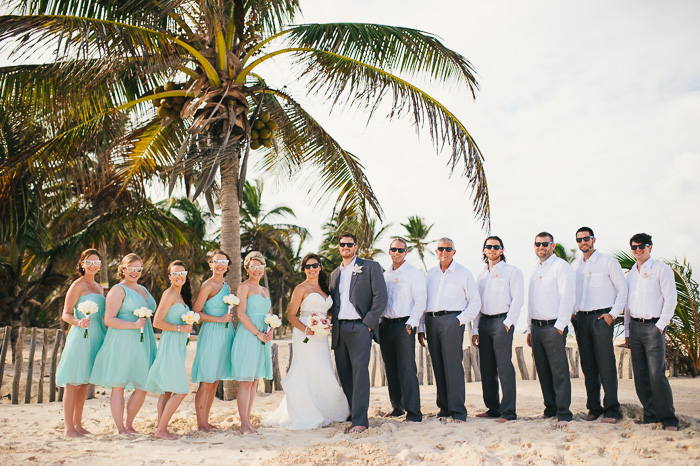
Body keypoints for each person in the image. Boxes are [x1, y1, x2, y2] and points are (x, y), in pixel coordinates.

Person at [267, 253, 350, 429]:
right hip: (304, 334)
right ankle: (305, 412)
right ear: (304, 270)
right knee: (305, 369)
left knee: (322, 369)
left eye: (315, 265)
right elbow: (290, 315)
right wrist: (307, 328)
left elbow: (326, 310)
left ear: (320, 267)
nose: (311, 269)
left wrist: (324, 322)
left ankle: (325, 409)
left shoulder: (325, 289)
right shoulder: (301, 288)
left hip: (320, 336)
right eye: (308, 266)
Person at [89, 253, 157, 435]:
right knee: (118, 387)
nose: (135, 272)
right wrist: (133, 325)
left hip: (143, 341)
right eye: (131, 268)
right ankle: (120, 428)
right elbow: (108, 319)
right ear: (123, 269)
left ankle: (129, 424)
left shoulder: (143, 289)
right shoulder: (118, 290)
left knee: (142, 387)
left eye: (138, 269)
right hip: (123, 341)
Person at [329, 232, 388, 433]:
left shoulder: (370, 267)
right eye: (342, 244)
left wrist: (368, 325)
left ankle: (361, 420)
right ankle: (354, 413)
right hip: (339, 329)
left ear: (356, 247)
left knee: (360, 372)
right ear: (339, 247)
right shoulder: (334, 274)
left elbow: (380, 298)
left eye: (349, 244)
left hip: (360, 328)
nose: (345, 247)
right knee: (345, 374)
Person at [571, 227, 627, 423]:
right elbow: (572, 292)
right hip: (581, 320)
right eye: (579, 240)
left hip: (601, 319)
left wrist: (612, 314)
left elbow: (623, 288)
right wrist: (572, 312)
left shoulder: (607, 262)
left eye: (586, 239)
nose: (583, 242)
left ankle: (611, 408)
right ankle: (594, 407)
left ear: (593, 239)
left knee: (606, 364)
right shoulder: (575, 266)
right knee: (588, 365)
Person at [422, 237, 481, 422]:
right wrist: (422, 327)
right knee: (438, 365)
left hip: (452, 321)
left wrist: (459, 321)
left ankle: (458, 412)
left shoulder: (463, 273)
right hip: (431, 321)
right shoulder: (430, 274)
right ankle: (444, 408)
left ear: (454, 252)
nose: (444, 252)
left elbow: (475, 302)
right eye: (440, 248)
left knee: (453, 366)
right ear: (436, 251)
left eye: (448, 249)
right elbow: (424, 302)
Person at [624, 233, 679, 431]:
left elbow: (670, 300)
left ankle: (668, 418)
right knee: (641, 375)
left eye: (642, 246)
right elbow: (628, 306)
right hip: (636, 328)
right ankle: (651, 415)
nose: (638, 250)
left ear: (650, 247)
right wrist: (628, 331)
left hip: (654, 326)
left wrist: (660, 325)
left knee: (656, 374)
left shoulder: (662, 270)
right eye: (634, 246)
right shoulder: (630, 273)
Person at [56, 249, 107, 437]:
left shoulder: (99, 287)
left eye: (96, 262)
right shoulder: (77, 285)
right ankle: (68, 428)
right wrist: (78, 322)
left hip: (96, 336)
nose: (93, 265)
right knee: (73, 382)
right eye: (89, 262)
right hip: (80, 335)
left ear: (100, 265)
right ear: (82, 264)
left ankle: (78, 425)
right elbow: (66, 314)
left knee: (85, 383)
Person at [526, 232, 575, 429]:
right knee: (543, 371)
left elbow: (567, 297)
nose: (541, 247)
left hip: (553, 327)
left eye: (545, 244)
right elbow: (531, 301)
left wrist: (560, 326)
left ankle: (564, 412)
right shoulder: (535, 269)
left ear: (552, 246)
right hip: (537, 328)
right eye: (538, 244)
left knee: (559, 371)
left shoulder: (561, 267)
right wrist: (529, 328)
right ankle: (550, 409)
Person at [472, 236, 523, 423]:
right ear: (484, 250)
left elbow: (518, 299)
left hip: (502, 322)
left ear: (501, 250)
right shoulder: (481, 275)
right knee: (486, 368)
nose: (492, 249)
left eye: (496, 246)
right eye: (488, 246)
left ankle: (508, 412)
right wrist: (475, 329)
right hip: (484, 324)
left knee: (504, 368)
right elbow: (477, 304)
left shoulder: (512, 272)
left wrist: (508, 323)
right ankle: (493, 408)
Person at [144, 261, 193, 439]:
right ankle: (161, 430)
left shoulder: (180, 296)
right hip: (171, 343)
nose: (180, 276)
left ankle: (160, 427)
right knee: (181, 390)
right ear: (170, 276)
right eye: (175, 273)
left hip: (178, 345)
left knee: (167, 390)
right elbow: (157, 322)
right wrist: (180, 329)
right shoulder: (169, 294)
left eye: (183, 273)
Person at [379, 238, 426, 422]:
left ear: (406, 252)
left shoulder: (415, 274)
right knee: (390, 368)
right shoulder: (385, 275)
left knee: (407, 369)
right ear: (389, 252)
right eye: (393, 249)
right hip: (386, 325)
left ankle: (414, 412)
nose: (396, 253)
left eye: (400, 250)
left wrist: (411, 324)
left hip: (404, 325)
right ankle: (397, 407)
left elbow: (421, 301)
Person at [190, 250, 235, 431]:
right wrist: (219, 319)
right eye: (216, 262)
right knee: (207, 380)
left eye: (223, 262)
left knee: (215, 380)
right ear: (211, 264)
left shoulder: (226, 286)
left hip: (225, 334)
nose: (220, 265)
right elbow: (195, 313)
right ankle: (201, 425)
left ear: (227, 266)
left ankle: (207, 421)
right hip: (211, 334)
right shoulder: (207, 286)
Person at [230, 251, 273, 435]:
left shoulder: (264, 291)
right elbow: (241, 314)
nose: (257, 270)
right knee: (246, 381)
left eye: (260, 266)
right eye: (253, 267)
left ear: (263, 269)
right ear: (247, 268)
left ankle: (248, 420)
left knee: (255, 380)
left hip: (263, 337)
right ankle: (244, 424)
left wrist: (270, 330)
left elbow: (269, 314)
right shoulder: (243, 287)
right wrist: (257, 333)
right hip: (249, 335)